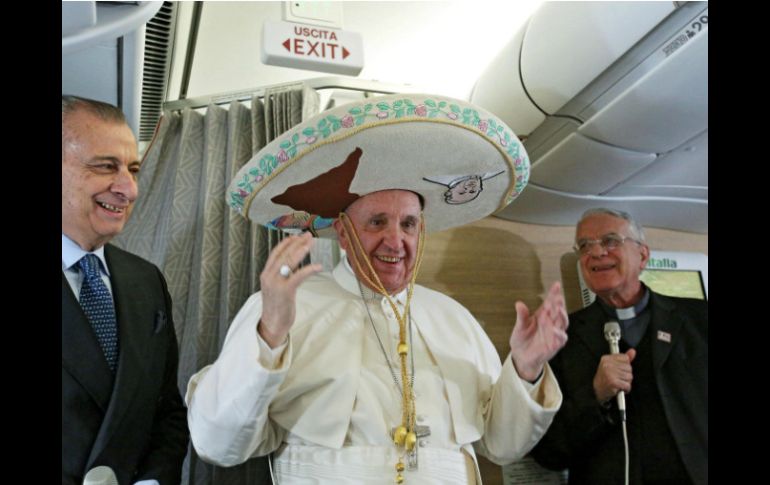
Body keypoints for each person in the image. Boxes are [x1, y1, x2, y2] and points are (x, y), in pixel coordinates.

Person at [186, 93, 568, 484]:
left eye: (408, 224)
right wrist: (268, 336)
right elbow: (218, 444)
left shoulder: (454, 318)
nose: (395, 240)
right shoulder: (285, 308)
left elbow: (502, 446)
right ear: (343, 233)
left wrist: (525, 368)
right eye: (376, 222)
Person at [62, 95, 189, 485]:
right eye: (106, 167)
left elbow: (167, 411)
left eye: (133, 169)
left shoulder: (145, 280)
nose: (129, 189)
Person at [530, 208, 708, 485]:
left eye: (611, 240)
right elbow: (548, 452)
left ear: (643, 255)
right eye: (585, 245)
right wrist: (596, 394)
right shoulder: (559, 339)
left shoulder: (699, 320)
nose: (597, 252)